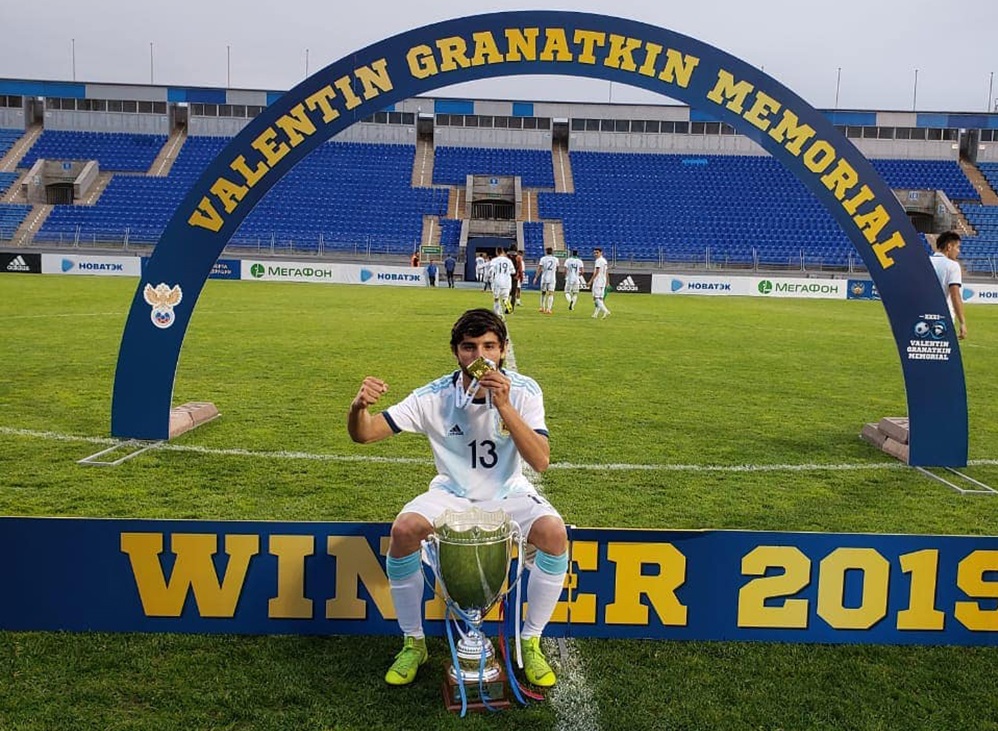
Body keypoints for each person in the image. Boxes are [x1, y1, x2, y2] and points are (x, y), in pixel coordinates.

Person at [348, 309, 567, 689]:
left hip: (506, 492)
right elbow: (364, 435)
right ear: (456, 352)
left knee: (553, 533)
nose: (479, 356)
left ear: (503, 350)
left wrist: (504, 406)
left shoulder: (526, 390)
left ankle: (530, 641)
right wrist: (358, 408)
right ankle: (413, 642)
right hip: (453, 494)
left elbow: (541, 460)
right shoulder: (433, 396)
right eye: (469, 347)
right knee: (404, 530)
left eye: (489, 346)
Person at [930, 231, 967, 340]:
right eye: (957, 247)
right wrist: (962, 322)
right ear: (949, 247)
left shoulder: (926, 262)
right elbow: (955, 295)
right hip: (943, 317)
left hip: (923, 314)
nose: (958, 251)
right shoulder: (952, 266)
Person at [533, 247, 559, 314]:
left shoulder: (543, 259)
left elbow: (539, 269)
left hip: (544, 277)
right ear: (552, 252)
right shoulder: (556, 259)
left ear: (546, 252)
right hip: (552, 278)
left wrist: (536, 277)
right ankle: (549, 309)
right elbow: (557, 268)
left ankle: (542, 307)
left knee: (543, 293)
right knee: (551, 293)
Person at [490, 247, 514, 317]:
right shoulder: (508, 261)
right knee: (505, 298)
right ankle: (509, 308)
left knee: (496, 298)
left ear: (497, 252)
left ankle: (497, 313)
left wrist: (491, 277)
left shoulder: (494, 260)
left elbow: (491, 270)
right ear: (503, 251)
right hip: (507, 282)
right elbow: (513, 271)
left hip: (498, 281)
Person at [589, 247, 611, 319]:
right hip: (603, 281)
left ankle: (606, 311)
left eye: (597, 252)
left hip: (598, 281)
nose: (595, 254)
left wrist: (591, 281)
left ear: (601, 253)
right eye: (594, 253)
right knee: (600, 298)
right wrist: (607, 281)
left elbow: (597, 272)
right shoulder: (604, 261)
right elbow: (606, 272)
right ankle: (595, 314)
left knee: (596, 298)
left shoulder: (598, 261)